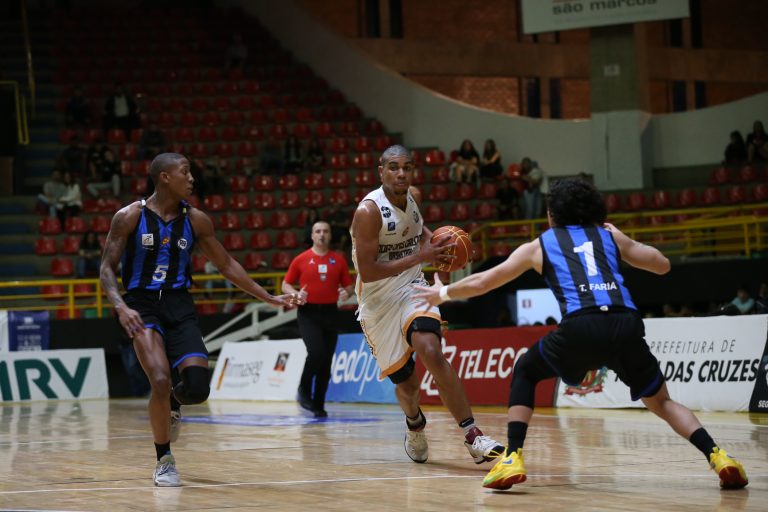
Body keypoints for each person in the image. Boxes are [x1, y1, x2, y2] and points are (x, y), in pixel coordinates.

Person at [414, 178, 749, 490]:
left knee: (526, 369)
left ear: (553, 214)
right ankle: (718, 456)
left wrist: (442, 294)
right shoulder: (608, 235)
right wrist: (623, 238)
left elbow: (485, 281)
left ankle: (513, 458)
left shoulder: (541, 244)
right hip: (625, 323)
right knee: (661, 401)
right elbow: (662, 265)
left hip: (583, 324)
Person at [99, 152, 303, 487]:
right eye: (185, 172)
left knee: (196, 388)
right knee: (160, 380)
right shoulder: (130, 216)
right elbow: (106, 268)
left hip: (179, 304)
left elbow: (226, 265)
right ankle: (164, 459)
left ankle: (175, 403)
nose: (192, 178)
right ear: (165, 177)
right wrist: (121, 307)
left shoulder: (196, 220)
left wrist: (268, 297)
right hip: (141, 304)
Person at [350, 144, 504, 465]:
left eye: (407, 167)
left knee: (431, 350)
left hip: (413, 287)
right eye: (393, 167)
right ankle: (415, 424)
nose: (401, 173)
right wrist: (421, 255)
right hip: (378, 303)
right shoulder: (368, 212)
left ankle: (473, 435)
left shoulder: (414, 197)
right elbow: (368, 270)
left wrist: (443, 246)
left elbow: (418, 232)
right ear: (381, 172)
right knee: (408, 387)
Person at [282, 221, 354, 417]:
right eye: (318, 231)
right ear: (312, 236)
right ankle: (303, 389)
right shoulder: (301, 259)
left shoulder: (338, 260)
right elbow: (285, 284)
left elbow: (349, 286)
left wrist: (347, 292)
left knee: (326, 361)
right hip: (308, 313)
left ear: (330, 235)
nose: (322, 234)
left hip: (331, 312)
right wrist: (296, 294)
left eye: (325, 231)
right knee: (316, 352)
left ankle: (318, 405)